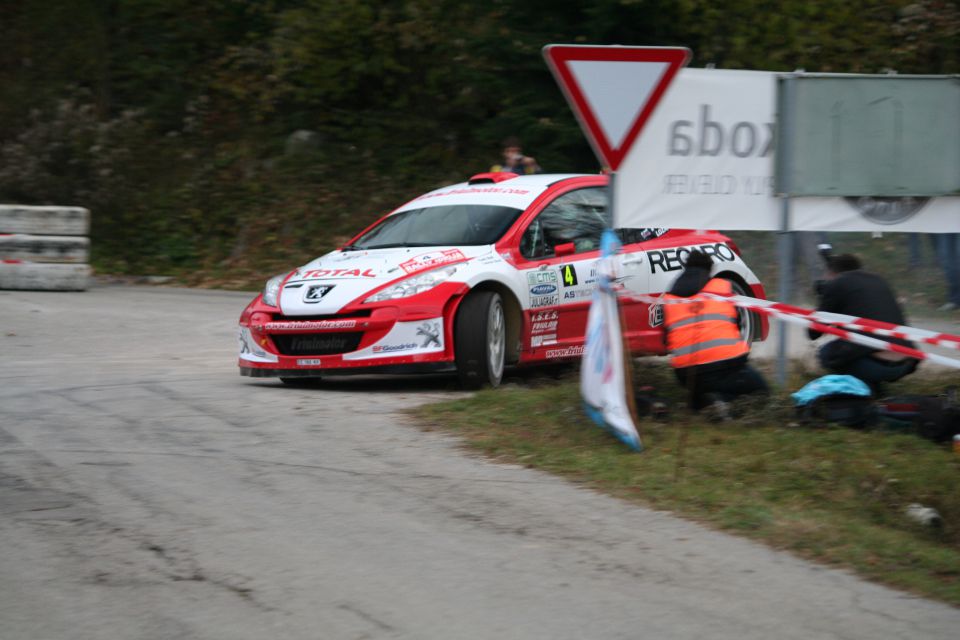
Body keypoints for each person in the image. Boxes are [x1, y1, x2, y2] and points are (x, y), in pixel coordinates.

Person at [663, 250, 769, 415]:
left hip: (686, 373)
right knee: (761, 390)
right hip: (725, 366)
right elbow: (737, 323)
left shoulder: (669, 297)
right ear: (709, 269)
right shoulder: (722, 287)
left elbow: (666, 339)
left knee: (701, 389)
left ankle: (703, 401)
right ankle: (722, 400)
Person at [808, 253, 919, 393]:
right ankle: (874, 388)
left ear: (832, 273)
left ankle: (860, 390)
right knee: (856, 347)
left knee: (825, 353)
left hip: (876, 365)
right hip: (905, 363)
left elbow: (813, 332)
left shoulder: (838, 283)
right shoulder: (879, 280)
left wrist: (823, 300)